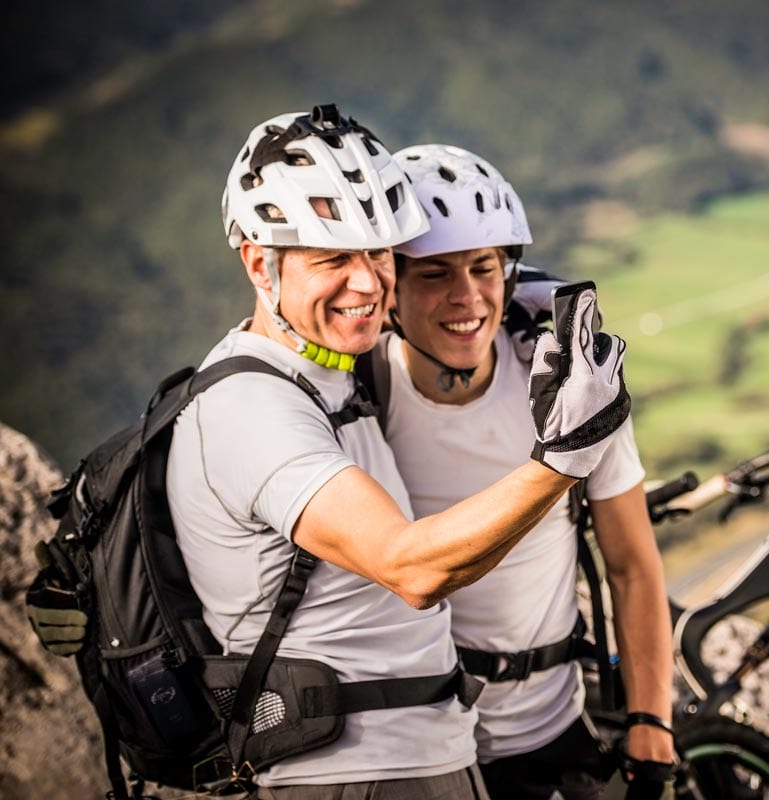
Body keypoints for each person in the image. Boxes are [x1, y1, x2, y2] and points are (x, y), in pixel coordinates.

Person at [163, 105, 631, 800]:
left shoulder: (330, 378)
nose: (367, 282)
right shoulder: (252, 411)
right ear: (260, 264)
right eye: (333, 257)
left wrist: (496, 301)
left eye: (378, 252)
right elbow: (411, 568)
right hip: (356, 774)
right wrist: (562, 460)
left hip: (420, 757)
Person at [361, 142, 674, 799]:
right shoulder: (361, 401)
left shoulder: (568, 384)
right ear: (390, 289)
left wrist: (651, 721)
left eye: (483, 268)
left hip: (550, 729)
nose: (467, 297)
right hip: (416, 747)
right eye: (434, 273)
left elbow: (632, 562)